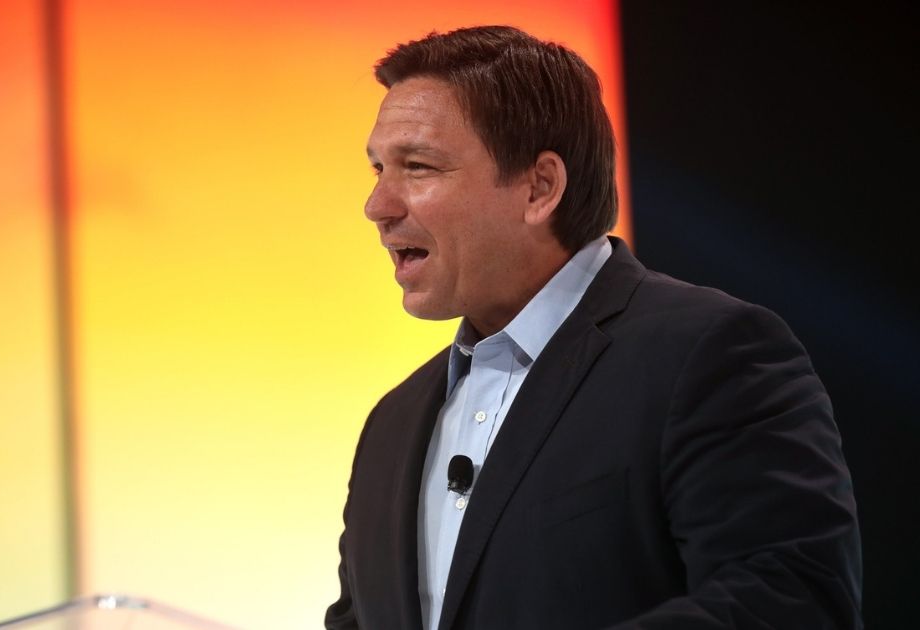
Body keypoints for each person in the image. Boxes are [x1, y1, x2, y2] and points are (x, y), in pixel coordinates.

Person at [325, 25, 861, 630]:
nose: (378, 206)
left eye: (418, 167)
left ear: (540, 187)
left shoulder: (710, 354)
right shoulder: (391, 425)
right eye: (377, 169)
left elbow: (789, 602)